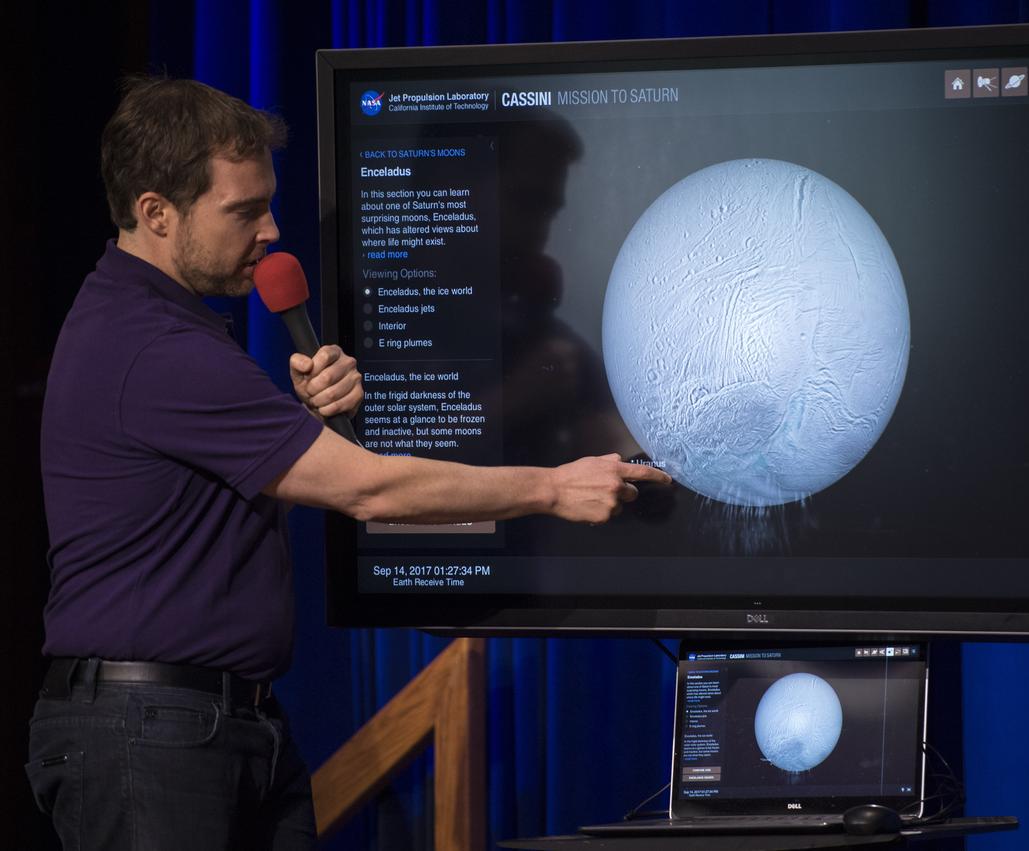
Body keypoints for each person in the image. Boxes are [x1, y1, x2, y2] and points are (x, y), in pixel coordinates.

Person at [27, 76, 669, 850]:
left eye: (268, 202)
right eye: (243, 211)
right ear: (156, 212)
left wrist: (301, 427)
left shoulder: (163, 326)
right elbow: (368, 490)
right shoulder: (154, 346)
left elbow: (209, 514)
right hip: (151, 735)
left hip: (214, 723)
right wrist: (554, 487)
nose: (271, 231)